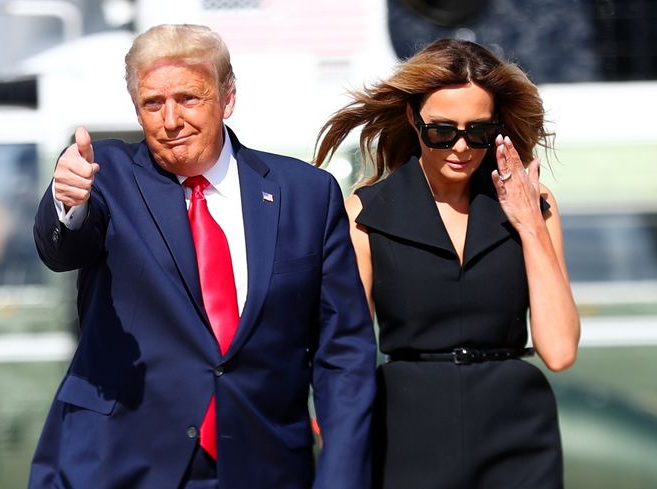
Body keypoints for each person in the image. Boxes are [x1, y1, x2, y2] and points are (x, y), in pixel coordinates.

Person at [29, 24, 376, 489]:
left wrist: (342, 475)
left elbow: (343, 353)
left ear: (227, 98)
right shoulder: (107, 177)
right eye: (153, 104)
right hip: (120, 464)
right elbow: (61, 248)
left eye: (189, 99)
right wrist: (67, 202)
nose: (171, 120)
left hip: (264, 466)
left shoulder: (306, 195)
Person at [314, 38, 580, 488]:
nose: (461, 147)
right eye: (441, 131)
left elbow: (559, 350)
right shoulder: (366, 214)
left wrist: (528, 225)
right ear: (411, 120)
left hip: (517, 430)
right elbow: (346, 353)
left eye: (478, 131)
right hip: (405, 429)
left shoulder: (533, 204)